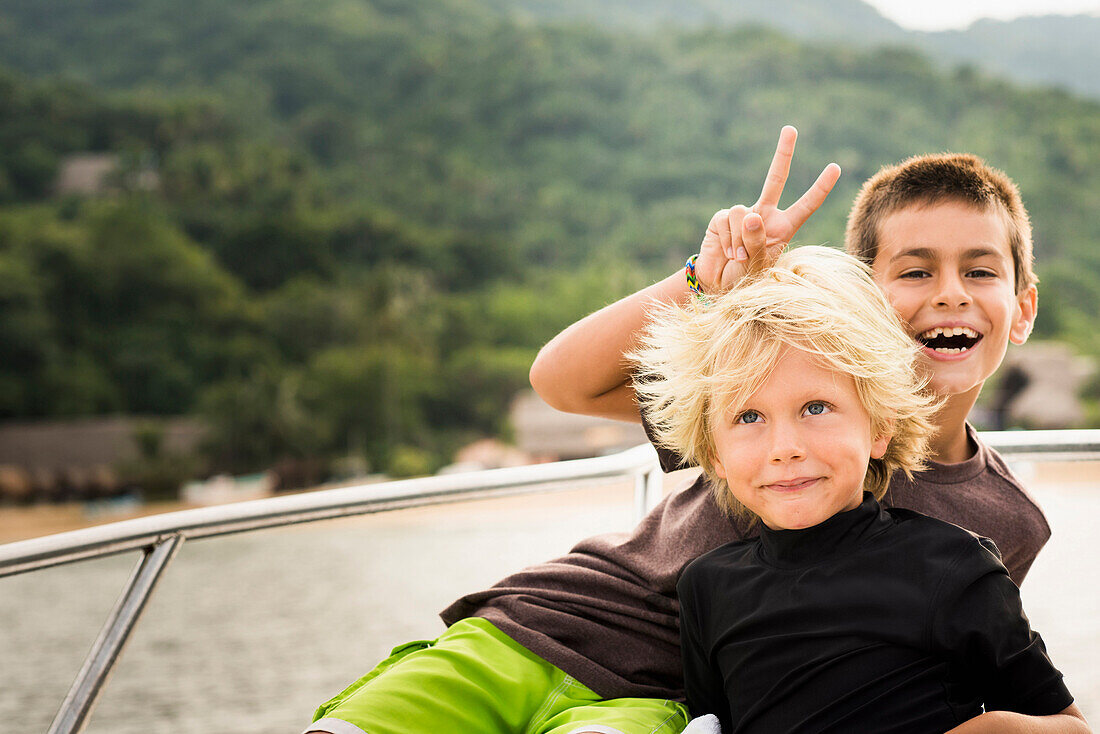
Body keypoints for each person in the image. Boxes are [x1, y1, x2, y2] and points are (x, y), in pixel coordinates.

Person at [304, 129, 1050, 734]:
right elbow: (561, 381)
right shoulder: (770, 391)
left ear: (1021, 309)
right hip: (545, 628)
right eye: (915, 272)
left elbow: (954, 669)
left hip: (668, 708)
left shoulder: (1003, 522)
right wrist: (706, 281)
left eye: (981, 272)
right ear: (857, 296)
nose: (950, 293)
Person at [629, 245, 1086, 732]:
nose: (785, 448)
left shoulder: (954, 567)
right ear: (713, 454)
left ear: (879, 427)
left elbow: (1069, 726)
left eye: (816, 408)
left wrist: (996, 727)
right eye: (748, 416)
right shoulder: (706, 587)